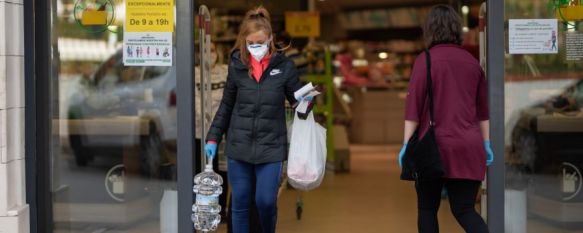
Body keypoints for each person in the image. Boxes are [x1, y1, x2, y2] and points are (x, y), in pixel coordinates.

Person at [203, 6, 304, 233]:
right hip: (239, 146)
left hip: (271, 147)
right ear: (244, 41)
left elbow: (298, 101)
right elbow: (227, 105)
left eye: (260, 42)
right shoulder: (237, 65)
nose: (255, 48)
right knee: (239, 204)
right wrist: (213, 138)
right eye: (251, 43)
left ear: (270, 39)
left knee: (266, 202)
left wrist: (306, 103)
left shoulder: (285, 67)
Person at [398, 5, 492, 233]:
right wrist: (486, 144)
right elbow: (483, 111)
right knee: (465, 210)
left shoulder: (425, 60)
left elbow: (413, 109)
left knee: (428, 209)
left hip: (432, 147)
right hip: (468, 147)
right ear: (456, 30)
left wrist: (405, 146)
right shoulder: (472, 63)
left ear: (429, 30)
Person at [194, 42, 229, 220]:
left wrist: (218, 116)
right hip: (200, 132)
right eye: (205, 50)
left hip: (223, 133)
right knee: (202, 171)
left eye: (213, 50)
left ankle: (220, 210)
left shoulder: (226, 71)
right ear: (198, 54)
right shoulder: (193, 73)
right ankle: (203, 210)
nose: (210, 54)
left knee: (222, 172)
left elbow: (229, 99)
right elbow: (196, 104)